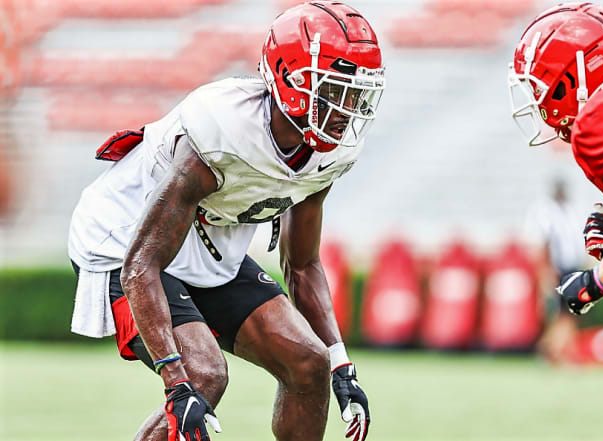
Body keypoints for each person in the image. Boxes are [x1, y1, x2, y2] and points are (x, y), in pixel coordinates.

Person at [67, 2, 385, 441]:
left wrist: (340, 361)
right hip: (124, 241)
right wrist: (176, 381)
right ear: (290, 80)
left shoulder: (330, 154)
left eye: (356, 92)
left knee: (309, 364)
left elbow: (303, 264)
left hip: (210, 241)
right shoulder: (221, 128)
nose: (348, 107)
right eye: (335, 89)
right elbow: (142, 265)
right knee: (202, 376)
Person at [508, 2, 603, 439]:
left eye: (538, 83)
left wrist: (599, 278)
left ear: (572, 75)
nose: (535, 98)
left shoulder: (600, 117)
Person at [523, 178, 585, 363]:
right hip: (559, 269)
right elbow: (544, 243)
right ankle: (553, 349)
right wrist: (547, 271)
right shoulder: (546, 212)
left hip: (573, 268)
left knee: (571, 313)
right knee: (563, 313)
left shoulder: (571, 211)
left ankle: (557, 348)